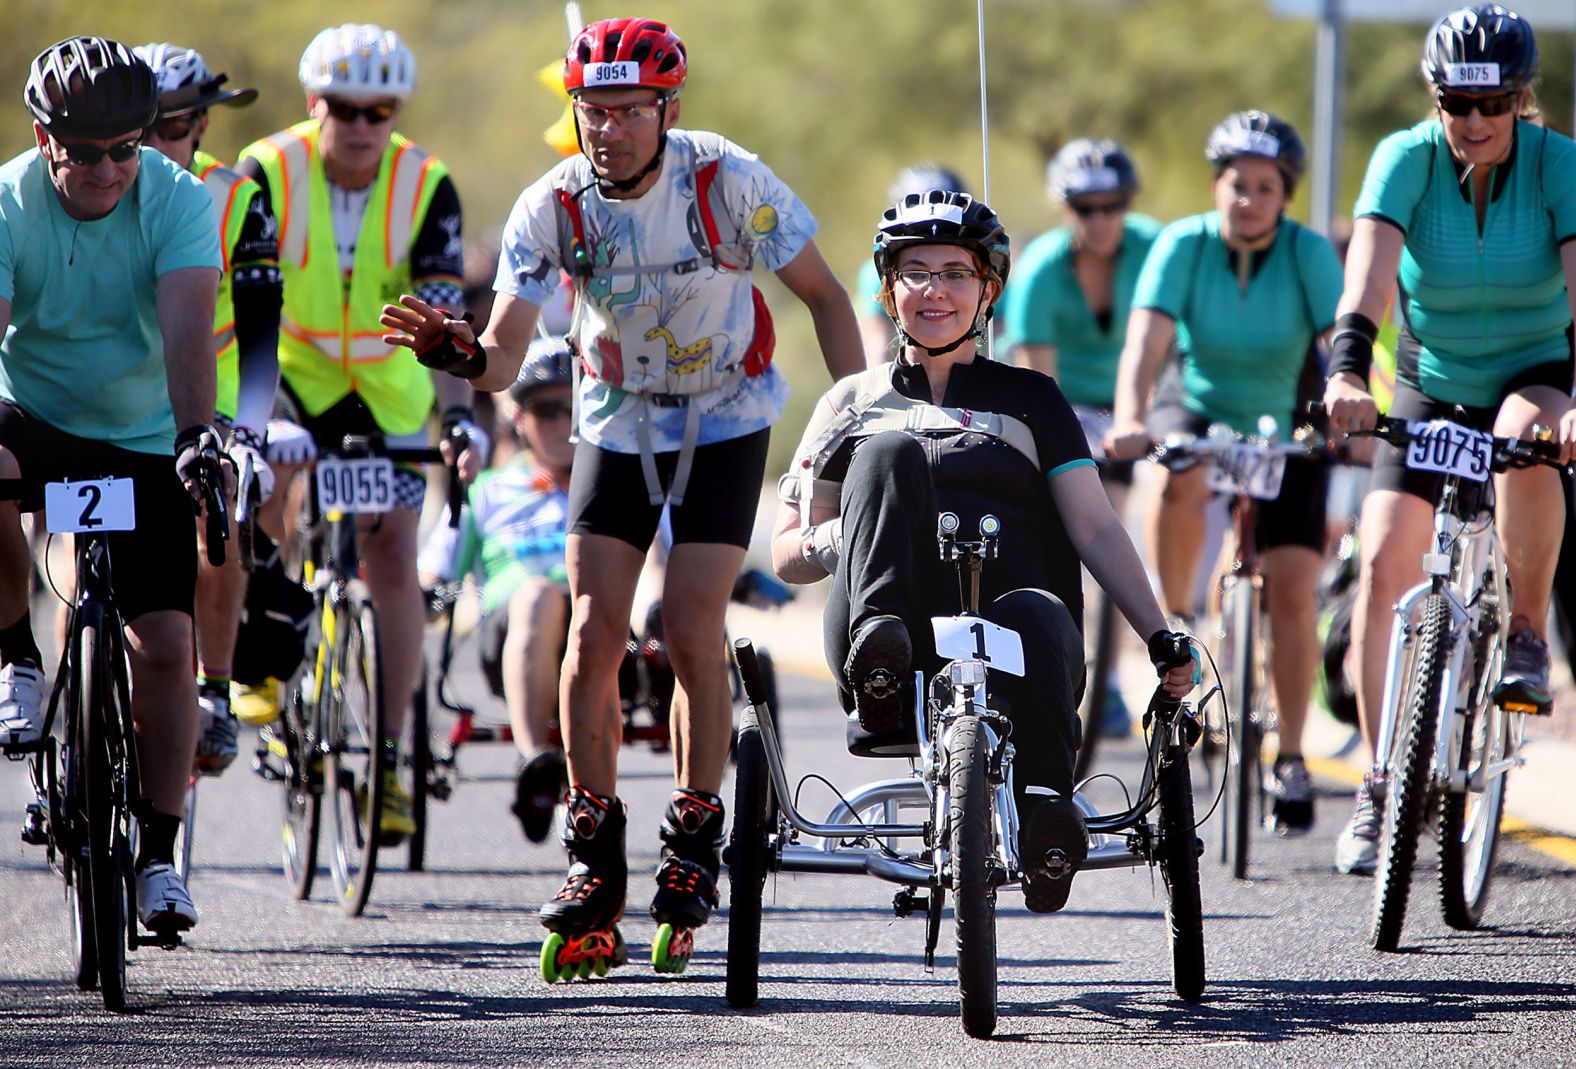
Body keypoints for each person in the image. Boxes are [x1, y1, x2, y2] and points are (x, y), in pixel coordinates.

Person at [380, 16, 862, 971]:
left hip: (726, 413)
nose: (608, 130)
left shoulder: (726, 181)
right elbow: (506, 359)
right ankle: (594, 859)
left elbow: (829, 297)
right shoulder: (552, 206)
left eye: (628, 113)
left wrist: (851, 433)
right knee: (594, 627)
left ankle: (691, 845)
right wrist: (458, 351)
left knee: (689, 627)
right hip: (616, 415)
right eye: (592, 112)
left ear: (667, 110)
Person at [771, 189, 1196, 911]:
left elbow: (1094, 526)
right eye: (915, 271)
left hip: (1014, 631)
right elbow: (786, 553)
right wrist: (849, 534)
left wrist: (1158, 633)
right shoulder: (849, 403)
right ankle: (883, 655)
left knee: (1036, 607)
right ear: (888, 287)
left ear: (988, 288)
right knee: (891, 452)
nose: (934, 290)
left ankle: (1045, 815)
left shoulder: (1034, 400)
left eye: (955, 272)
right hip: (892, 640)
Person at [1321, 4, 1576, 875]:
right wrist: (1348, 372)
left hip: (1535, 367)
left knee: (1525, 436)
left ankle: (1529, 632)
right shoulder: (1404, 159)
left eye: (1493, 103)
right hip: (1432, 377)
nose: (1473, 122)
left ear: (1520, 98)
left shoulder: (1558, 164)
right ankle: (1379, 778)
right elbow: (1369, 273)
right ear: (1436, 100)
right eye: (1455, 104)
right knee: (1387, 554)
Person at [235, 23, 483, 842]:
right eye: (345, 108)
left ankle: (386, 763)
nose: (363, 124)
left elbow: (445, 323)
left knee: (392, 557)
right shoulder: (265, 170)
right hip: (289, 376)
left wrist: (456, 416)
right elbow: (245, 307)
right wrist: (262, 414)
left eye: (380, 110)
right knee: (269, 490)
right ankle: (267, 631)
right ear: (316, 105)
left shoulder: (427, 182)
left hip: (386, 388)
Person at [0, 37, 222, 932]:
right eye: (85, 151)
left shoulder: (178, 199)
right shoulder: (9, 202)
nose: (107, 168)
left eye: (126, 147)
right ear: (47, 138)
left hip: (137, 432)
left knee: (166, 643)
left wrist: (197, 438)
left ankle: (161, 856)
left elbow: (187, 335)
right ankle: (15, 656)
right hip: (37, 417)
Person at [1106, 110, 1343, 837]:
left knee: (1295, 591)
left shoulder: (1307, 253)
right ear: (1218, 187)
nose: (1249, 200)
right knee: (1175, 471)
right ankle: (1178, 619)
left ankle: (1292, 758)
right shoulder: (1184, 244)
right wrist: (1127, 415)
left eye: (1266, 188)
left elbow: (1343, 344)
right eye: (1237, 185)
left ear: (1286, 195)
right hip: (1198, 405)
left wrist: (1349, 414)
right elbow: (1146, 340)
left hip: (1287, 415)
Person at [135, 42, 282, 776]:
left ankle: (216, 687)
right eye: (150, 125)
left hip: (210, 392)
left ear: (201, 127)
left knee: (220, 497)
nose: (165, 141)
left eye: (181, 126)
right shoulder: (92, 186)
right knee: (72, 531)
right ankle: (68, 723)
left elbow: (260, 337)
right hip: (112, 392)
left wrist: (249, 430)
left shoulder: (239, 196)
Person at [999, 137, 1162, 739]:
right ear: (1064, 208)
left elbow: (1175, 341)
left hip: (1145, 401)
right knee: (1090, 518)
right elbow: (1039, 382)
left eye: (1112, 205)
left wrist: (1136, 417)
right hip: (1068, 404)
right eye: (1084, 207)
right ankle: (1100, 678)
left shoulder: (1155, 249)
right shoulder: (1041, 267)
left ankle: (1168, 633)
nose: (1099, 220)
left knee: (1141, 506)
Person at [418, 338, 574, 844]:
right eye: (548, 409)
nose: (563, 423)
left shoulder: (622, 488)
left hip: (605, 631)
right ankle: (536, 764)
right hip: (511, 633)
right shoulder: (487, 490)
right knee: (536, 597)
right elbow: (434, 572)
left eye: (575, 408)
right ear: (520, 418)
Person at [858, 162, 970, 364]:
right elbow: (877, 348)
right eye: (915, 273)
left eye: (955, 274)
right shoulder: (876, 272)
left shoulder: (980, 270)